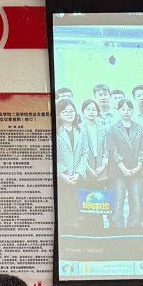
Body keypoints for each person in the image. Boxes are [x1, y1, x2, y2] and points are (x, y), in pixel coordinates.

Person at [105, 98, 143, 229]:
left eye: (129, 109)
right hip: (118, 171)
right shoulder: (113, 128)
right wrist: (123, 168)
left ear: (133, 110)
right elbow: (112, 150)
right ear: (118, 110)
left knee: (137, 201)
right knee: (118, 201)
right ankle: (117, 230)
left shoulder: (139, 128)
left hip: (136, 170)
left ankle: (133, 230)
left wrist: (139, 165)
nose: (126, 111)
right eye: (123, 109)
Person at [54, 98, 90, 231]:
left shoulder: (81, 130)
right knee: (66, 211)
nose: (69, 114)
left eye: (72, 111)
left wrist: (78, 173)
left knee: (79, 211)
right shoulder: (55, 131)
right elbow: (53, 155)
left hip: (78, 177)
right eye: (65, 111)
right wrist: (63, 174)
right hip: (62, 178)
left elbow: (85, 154)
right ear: (59, 114)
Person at [78, 99, 109, 229]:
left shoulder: (102, 128)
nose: (91, 112)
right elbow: (79, 152)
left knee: (99, 201)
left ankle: (99, 230)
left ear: (98, 112)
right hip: (86, 168)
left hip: (100, 168)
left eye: (94, 109)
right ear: (83, 112)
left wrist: (103, 165)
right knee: (87, 201)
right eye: (88, 109)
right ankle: (88, 230)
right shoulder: (79, 128)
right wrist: (88, 168)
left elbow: (107, 149)